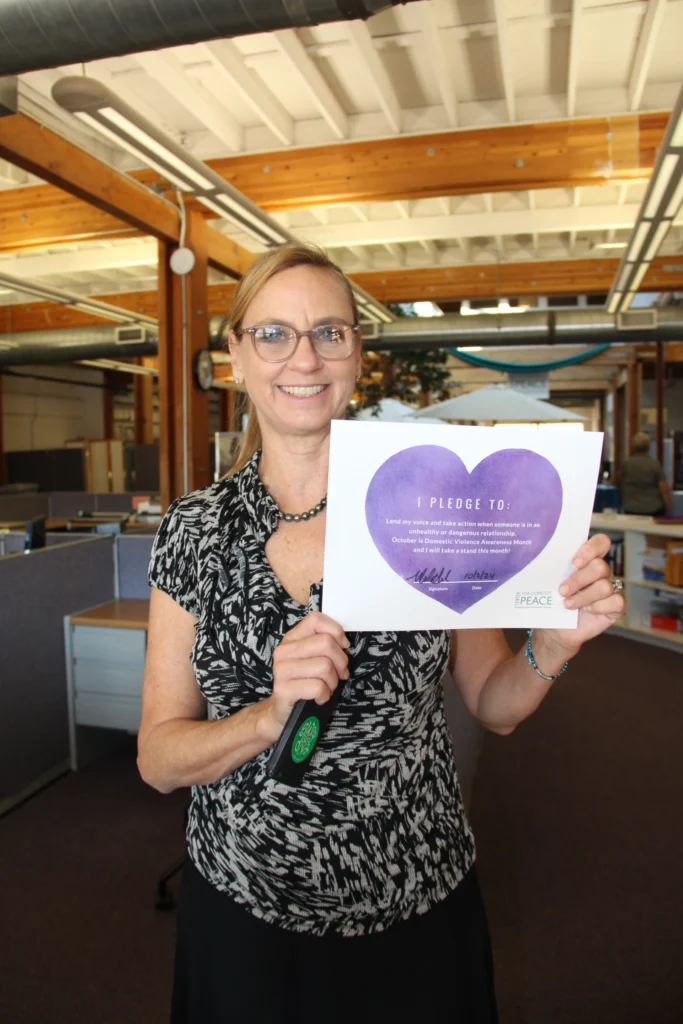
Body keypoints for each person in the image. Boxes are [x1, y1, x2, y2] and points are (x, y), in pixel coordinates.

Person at [138, 242, 625, 1023]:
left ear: (356, 356)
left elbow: (494, 704)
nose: (304, 355)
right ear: (233, 356)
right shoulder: (195, 531)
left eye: (329, 332)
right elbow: (158, 759)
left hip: (415, 905)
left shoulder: (425, 505)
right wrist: (267, 716)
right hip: (243, 907)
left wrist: (553, 647)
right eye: (273, 333)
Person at [619, 432, 672, 516]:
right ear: (648, 446)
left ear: (633, 446)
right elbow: (664, 490)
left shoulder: (626, 464)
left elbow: (618, 482)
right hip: (653, 509)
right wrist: (669, 510)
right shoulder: (654, 464)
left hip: (631, 509)